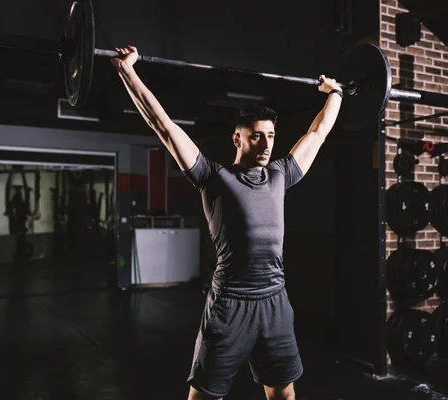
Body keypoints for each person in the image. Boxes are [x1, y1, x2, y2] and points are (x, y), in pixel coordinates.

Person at [111, 45, 343, 400]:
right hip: (230, 305)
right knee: (205, 396)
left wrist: (336, 92)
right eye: (256, 136)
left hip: (275, 302)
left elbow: (318, 133)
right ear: (238, 138)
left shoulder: (281, 173)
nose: (266, 144)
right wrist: (127, 71)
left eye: (270, 136)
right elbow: (162, 124)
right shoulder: (213, 176)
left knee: (284, 394)